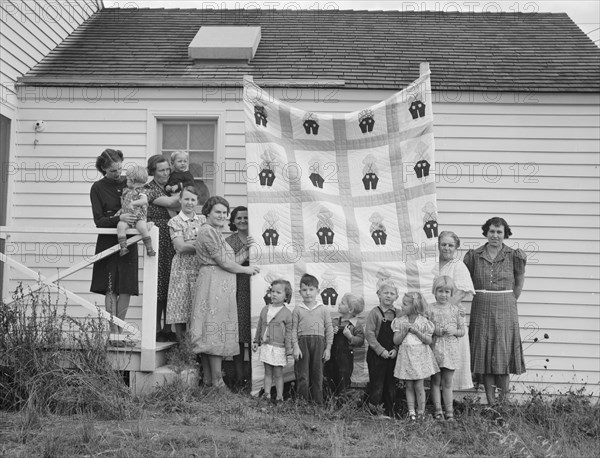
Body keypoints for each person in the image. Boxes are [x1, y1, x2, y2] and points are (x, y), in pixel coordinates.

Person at [189, 196, 260, 389]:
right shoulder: (207, 231)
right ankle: (218, 382)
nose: (221, 215)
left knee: (214, 330)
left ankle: (209, 380)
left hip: (222, 285)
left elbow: (232, 260)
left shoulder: (218, 232)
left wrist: (247, 248)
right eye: (217, 212)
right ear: (207, 213)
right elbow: (224, 263)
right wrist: (246, 269)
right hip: (213, 284)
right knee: (213, 332)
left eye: (224, 212)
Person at [464, 216, 527, 405]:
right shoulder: (474, 256)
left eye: (499, 232)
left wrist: (508, 300)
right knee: (485, 357)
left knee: (502, 357)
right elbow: (463, 281)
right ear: (486, 232)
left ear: (505, 234)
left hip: (506, 307)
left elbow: (519, 281)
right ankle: (491, 404)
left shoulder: (514, 255)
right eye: (492, 231)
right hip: (482, 307)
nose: (495, 235)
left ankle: (503, 403)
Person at [90, 149, 138, 334]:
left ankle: (120, 326)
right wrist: (118, 218)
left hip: (130, 240)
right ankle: (113, 331)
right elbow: (99, 221)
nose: (118, 173)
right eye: (113, 171)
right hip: (108, 241)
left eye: (119, 168)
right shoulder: (97, 188)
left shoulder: (130, 182)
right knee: (110, 287)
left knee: (126, 286)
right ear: (103, 169)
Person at [144, 155, 180, 342]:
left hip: (172, 239)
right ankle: (155, 328)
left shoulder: (168, 189)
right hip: (158, 240)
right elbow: (173, 203)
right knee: (157, 284)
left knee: (170, 283)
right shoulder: (149, 190)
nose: (165, 173)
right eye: (161, 170)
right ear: (152, 172)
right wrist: (187, 193)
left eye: (167, 169)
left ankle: (168, 328)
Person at [165, 186, 205, 342]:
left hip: (200, 266)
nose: (189, 203)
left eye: (193, 199)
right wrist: (201, 245)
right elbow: (180, 247)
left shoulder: (203, 220)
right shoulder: (175, 221)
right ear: (180, 200)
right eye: (186, 199)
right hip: (181, 267)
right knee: (180, 305)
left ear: (197, 202)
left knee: (197, 305)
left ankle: (196, 349)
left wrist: (192, 244)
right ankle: (183, 349)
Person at [392, 292, 438, 421]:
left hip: (419, 358)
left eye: (405, 304)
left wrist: (417, 332)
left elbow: (428, 341)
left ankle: (421, 412)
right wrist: (404, 331)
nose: (402, 306)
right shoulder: (400, 321)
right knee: (409, 386)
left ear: (415, 307)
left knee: (419, 385)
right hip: (406, 357)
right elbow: (396, 341)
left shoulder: (424, 322)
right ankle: (411, 412)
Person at [438, 230, 475, 391]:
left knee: (450, 359)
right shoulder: (431, 263)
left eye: (450, 245)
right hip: (432, 316)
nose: (446, 248)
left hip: (451, 318)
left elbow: (461, 292)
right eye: (443, 244)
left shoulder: (458, 266)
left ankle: (449, 401)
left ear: (456, 248)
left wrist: (443, 312)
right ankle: (435, 401)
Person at [292, 273, 333, 404]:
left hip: (319, 344)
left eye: (311, 289)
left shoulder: (323, 309)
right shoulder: (297, 309)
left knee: (318, 374)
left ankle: (318, 404)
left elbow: (329, 329)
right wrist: (296, 347)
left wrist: (328, 348)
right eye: (304, 290)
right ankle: (302, 403)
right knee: (303, 375)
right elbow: (292, 330)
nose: (308, 293)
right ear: (300, 292)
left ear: (318, 291)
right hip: (303, 343)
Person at [429, 276, 465, 421]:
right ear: (435, 291)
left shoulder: (455, 310)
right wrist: (435, 330)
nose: (443, 295)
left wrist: (455, 332)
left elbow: (462, 331)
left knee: (448, 382)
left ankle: (449, 411)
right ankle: (438, 411)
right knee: (435, 381)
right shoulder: (429, 309)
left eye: (447, 292)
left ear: (451, 294)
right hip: (435, 349)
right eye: (440, 291)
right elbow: (425, 327)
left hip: (450, 350)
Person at [252, 279, 293, 405]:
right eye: (272, 291)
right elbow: (260, 326)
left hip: (279, 348)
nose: (274, 294)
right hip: (266, 346)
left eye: (278, 292)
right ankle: (267, 394)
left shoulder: (287, 313)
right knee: (267, 372)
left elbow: (289, 332)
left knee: (278, 373)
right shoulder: (265, 309)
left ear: (286, 296)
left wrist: (288, 349)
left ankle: (279, 397)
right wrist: (256, 341)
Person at [225, 206, 252, 389]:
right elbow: (231, 264)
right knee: (239, 333)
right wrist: (248, 249)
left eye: (246, 218)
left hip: (256, 288)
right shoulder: (229, 241)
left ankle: (253, 377)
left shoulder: (258, 236)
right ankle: (238, 377)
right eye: (239, 218)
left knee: (254, 332)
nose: (242, 221)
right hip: (238, 287)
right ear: (233, 221)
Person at [365, 279, 400, 417]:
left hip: (392, 355)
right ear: (378, 294)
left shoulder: (399, 314)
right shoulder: (375, 313)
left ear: (396, 297)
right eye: (385, 292)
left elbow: (401, 333)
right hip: (376, 355)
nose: (388, 295)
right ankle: (375, 412)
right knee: (377, 383)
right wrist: (381, 350)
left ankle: (390, 412)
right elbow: (369, 334)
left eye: (392, 293)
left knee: (391, 384)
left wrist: (396, 349)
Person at [324, 293, 365, 396]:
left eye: (342, 303)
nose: (339, 304)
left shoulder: (356, 324)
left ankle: (342, 401)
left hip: (345, 358)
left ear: (350, 309)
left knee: (343, 378)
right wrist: (332, 330)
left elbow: (360, 341)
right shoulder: (335, 321)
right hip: (332, 356)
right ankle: (329, 400)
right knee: (329, 376)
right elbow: (326, 334)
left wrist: (350, 337)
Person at [116, 165, 155, 257]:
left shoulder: (142, 190)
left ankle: (149, 248)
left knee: (142, 228)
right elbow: (123, 204)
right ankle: (123, 247)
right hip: (127, 217)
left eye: (127, 179)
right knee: (120, 226)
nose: (126, 181)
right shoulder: (126, 191)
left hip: (138, 217)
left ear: (132, 181)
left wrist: (133, 203)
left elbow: (144, 201)